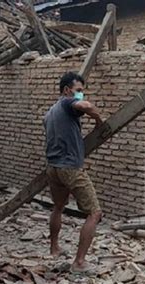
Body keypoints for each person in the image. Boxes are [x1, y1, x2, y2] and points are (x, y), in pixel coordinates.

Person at [43, 71, 103, 273]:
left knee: (58, 206)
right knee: (94, 213)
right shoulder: (66, 103)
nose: (81, 95)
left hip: (53, 168)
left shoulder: (49, 113)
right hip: (69, 167)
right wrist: (98, 119)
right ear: (67, 90)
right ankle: (79, 262)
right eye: (79, 91)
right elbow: (84, 106)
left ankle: (54, 248)